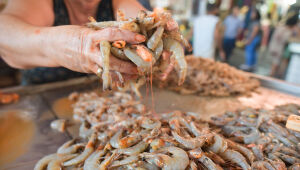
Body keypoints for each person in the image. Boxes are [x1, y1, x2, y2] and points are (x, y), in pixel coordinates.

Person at [0, 0, 169, 85]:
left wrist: (156, 29)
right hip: (43, 103)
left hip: (107, 102)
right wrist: (52, 43)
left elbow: (135, 14)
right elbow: (4, 31)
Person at [269, 13, 298, 77]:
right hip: (278, 48)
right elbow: (281, 38)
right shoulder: (286, 30)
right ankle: (271, 76)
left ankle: (272, 75)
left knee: (274, 63)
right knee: (275, 64)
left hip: (275, 47)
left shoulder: (282, 27)